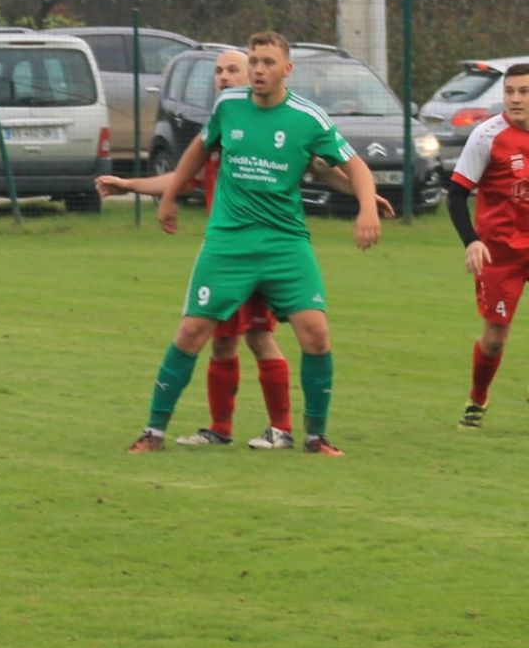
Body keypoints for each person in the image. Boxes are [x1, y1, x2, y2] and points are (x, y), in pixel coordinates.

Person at [98, 48, 392, 448]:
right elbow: (188, 168)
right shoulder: (227, 114)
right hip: (229, 245)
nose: (237, 74)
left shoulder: (302, 119)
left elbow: (327, 168)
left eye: (238, 67)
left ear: (286, 70)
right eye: (228, 68)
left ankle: (295, 432)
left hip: (281, 245)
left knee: (281, 335)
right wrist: (139, 189)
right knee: (208, 335)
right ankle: (179, 431)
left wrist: (365, 200)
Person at [445, 63, 529, 428]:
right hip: (500, 253)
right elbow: (456, 195)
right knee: (494, 339)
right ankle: (478, 399)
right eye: (510, 91)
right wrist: (472, 241)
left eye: (524, 91)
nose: (515, 99)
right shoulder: (487, 135)